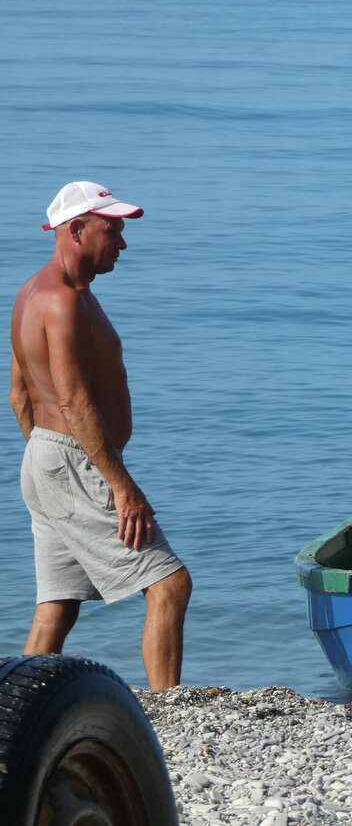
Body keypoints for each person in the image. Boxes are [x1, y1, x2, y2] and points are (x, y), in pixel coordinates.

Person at [9, 181, 192, 690]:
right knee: (169, 584)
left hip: (46, 460)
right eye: (112, 230)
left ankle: (13, 708)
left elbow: (20, 397)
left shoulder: (30, 294)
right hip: (72, 460)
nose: (122, 243)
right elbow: (72, 400)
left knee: (57, 605)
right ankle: (169, 713)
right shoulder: (62, 301)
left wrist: (46, 458)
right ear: (76, 229)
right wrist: (119, 484)